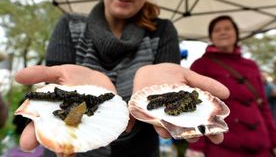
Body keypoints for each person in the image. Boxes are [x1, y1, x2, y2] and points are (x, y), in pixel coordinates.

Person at [15, 0, 230, 156]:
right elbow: (56, 98)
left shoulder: (163, 31)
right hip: (70, 148)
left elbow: (168, 98)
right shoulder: (69, 25)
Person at [15, 64, 230, 157]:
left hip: (141, 151)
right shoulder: (70, 24)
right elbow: (54, 77)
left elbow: (171, 72)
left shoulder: (163, 30)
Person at [186, 15, 276, 157]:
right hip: (222, 146)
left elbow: (264, 106)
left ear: (236, 34)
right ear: (211, 37)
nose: (223, 32)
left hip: (261, 144)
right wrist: (196, 146)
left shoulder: (251, 66)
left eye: (228, 28)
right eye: (217, 30)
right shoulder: (201, 65)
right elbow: (195, 107)